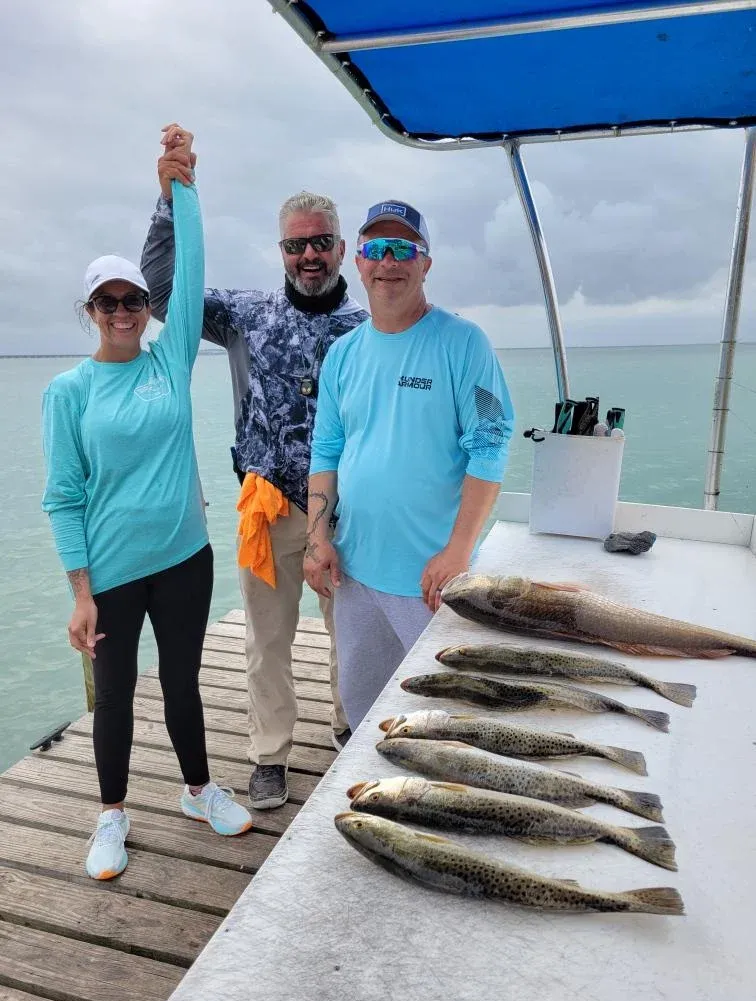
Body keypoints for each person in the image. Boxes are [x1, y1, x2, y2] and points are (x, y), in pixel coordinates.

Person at [41, 126, 252, 881]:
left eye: (133, 298)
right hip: (113, 572)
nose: (124, 311)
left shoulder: (170, 357)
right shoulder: (67, 393)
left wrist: (180, 187)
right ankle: (111, 816)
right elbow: (63, 499)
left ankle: (198, 789)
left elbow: (190, 274)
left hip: (186, 559)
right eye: (109, 302)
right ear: (90, 310)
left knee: (184, 682)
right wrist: (80, 593)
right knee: (118, 698)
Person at [141, 130, 368, 811]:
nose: (308, 255)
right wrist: (168, 204)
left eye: (320, 241)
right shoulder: (245, 314)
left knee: (350, 632)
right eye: (296, 244)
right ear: (282, 251)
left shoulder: (368, 327)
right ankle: (270, 755)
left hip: (349, 511)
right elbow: (159, 294)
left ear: (339, 247)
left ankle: (348, 721)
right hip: (265, 508)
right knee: (267, 642)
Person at [304, 200, 515, 729]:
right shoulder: (343, 354)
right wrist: (317, 540)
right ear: (357, 261)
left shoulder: (463, 342)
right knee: (363, 714)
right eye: (376, 249)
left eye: (403, 249)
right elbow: (326, 450)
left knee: (443, 723)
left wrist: (459, 550)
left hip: (430, 580)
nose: (388, 263)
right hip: (354, 574)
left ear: (425, 263)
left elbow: (489, 443)